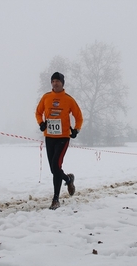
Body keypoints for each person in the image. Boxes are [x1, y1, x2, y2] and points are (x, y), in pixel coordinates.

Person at [35, 72, 83, 210]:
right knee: (53, 169)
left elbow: (79, 117)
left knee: (56, 166)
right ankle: (68, 180)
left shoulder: (68, 99)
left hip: (63, 137)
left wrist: (76, 130)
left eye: (58, 81)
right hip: (49, 137)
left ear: (62, 83)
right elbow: (38, 112)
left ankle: (55, 200)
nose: (55, 83)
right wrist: (41, 123)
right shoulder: (46, 97)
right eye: (53, 81)